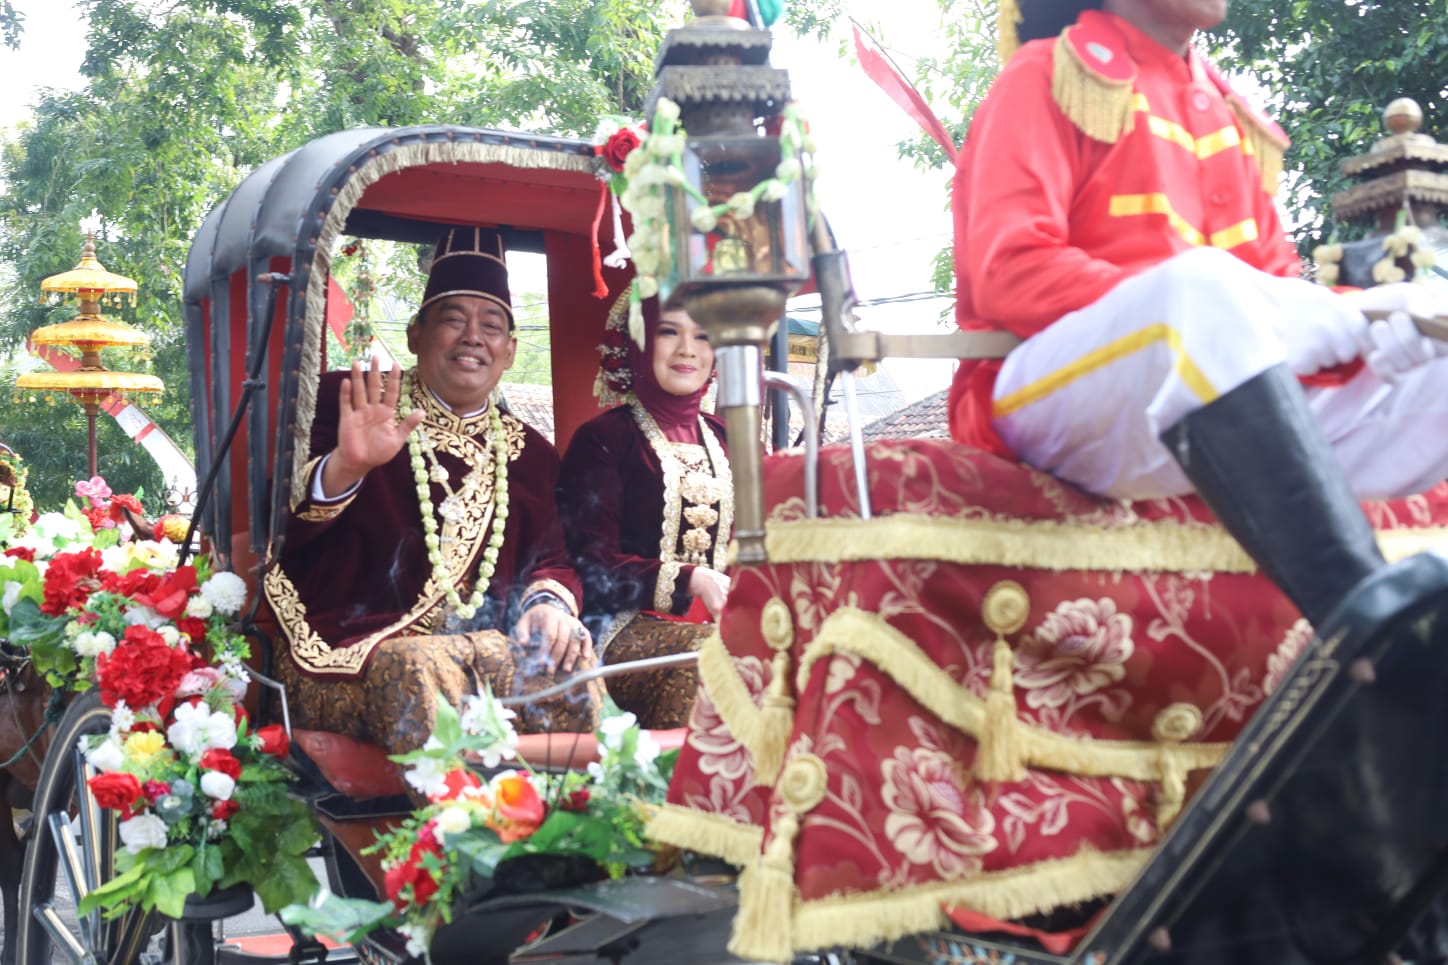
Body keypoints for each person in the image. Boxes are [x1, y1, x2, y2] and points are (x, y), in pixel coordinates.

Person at [948, 0, 1448, 641]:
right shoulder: (1043, 72)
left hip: (1211, 402)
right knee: (1203, 285)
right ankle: (1367, 621)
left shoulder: (1232, 112)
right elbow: (1010, 274)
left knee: (1431, 326)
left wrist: (1369, 317)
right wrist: (1244, 300)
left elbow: (1278, 301)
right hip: (1047, 398)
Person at [263, 225, 601, 755]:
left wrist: (549, 604)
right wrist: (348, 466)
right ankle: (456, 837)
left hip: (486, 655)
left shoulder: (532, 453)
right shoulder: (349, 399)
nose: (473, 337)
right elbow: (279, 529)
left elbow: (553, 558)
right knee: (425, 663)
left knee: (572, 663)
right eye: (453, 320)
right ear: (416, 335)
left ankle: (573, 828)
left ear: (510, 351)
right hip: (349, 653)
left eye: (491, 326)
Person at [557, 293, 730, 728]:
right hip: (621, 629)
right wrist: (693, 579)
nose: (688, 349)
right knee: (712, 656)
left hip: (724, 626)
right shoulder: (604, 440)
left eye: (703, 336)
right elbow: (590, 565)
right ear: (636, 343)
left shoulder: (732, 442)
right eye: (668, 332)